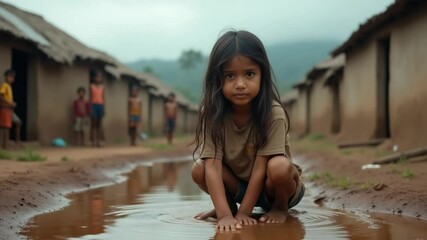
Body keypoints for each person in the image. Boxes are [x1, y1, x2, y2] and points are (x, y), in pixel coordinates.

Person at [191, 30, 305, 231]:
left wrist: (245, 213)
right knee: (199, 168)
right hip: (239, 188)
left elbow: (261, 168)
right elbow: (212, 167)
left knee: (278, 165)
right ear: (218, 79)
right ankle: (227, 209)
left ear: (262, 74)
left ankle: (280, 208)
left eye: (249, 74)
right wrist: (225, 214)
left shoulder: (273, 113)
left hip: (276, 188)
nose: (240, 84)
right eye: (230, 76)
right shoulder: (211, 114)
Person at [0, 69, 16, 149]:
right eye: (10, 77)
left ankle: (5, 144)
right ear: (6, 77)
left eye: (13, 77)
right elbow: (1, 96)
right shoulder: (4, 85)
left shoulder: (9, 87)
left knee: (7, 127)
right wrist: (10, 103)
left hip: (8, 109)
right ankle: (4, 145)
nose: (12, 79)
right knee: (5, 127)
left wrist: (11, 104)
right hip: (4, 108)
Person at [89, 70, 105, 147]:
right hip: (94, 105)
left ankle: (98, 141)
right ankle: (93, 141)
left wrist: (104, 107)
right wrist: (90, 107)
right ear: (94, 78)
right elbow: (90, 97)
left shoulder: (102, 87)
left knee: (99, 124)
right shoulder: (91, 87)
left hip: (100, 105)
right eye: (97, 77)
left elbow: (103, 98)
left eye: (100, 77)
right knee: (93, 124)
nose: (99, 79)